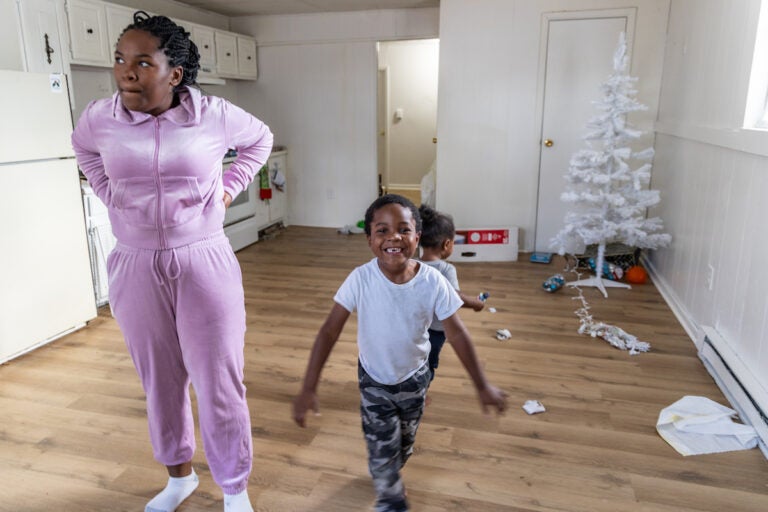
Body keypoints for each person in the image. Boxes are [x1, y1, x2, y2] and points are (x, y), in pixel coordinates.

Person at [71, 11, 273, 512]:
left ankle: (234, 489)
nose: (127, 72)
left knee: (218, 379)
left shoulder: (215, 114)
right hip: (134, 262)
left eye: (142, 62)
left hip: (202, 259)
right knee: (159, 379)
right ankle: (179, 477)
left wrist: (227, 188)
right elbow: (84, 152)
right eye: (120, 60)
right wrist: (107, 193)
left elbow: (259, 141)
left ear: (174, 73)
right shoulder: (100, 116)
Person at [292, 194, 507, 512]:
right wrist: (308, 387)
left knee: (403, 445)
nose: (393, 237)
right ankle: (390, 496)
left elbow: (457, 333)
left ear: (417, 238)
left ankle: (389, 465)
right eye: (382, 230)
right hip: (374, 381)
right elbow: (328, 331)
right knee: (382, 447)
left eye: (403, 229)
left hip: (415, 379)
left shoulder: (433, 281)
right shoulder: (361, 279)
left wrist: (482, 385)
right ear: (369, 239)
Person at [417, 204, 486, 386]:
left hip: (414, 326)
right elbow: (454, 297)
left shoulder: (412, 265)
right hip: (436, 330)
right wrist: (475, 303)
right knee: (428, 365)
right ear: (447, 244)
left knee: (413, 361)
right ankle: (420, 395)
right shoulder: (446, 269)